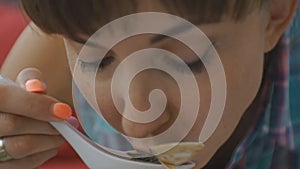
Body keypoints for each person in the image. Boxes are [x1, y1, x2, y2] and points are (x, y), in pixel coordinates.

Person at [0, 0, 299, 169]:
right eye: (98, 60)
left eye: (186, 58)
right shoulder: (71, 26)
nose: (136, 123)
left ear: (274, 14)